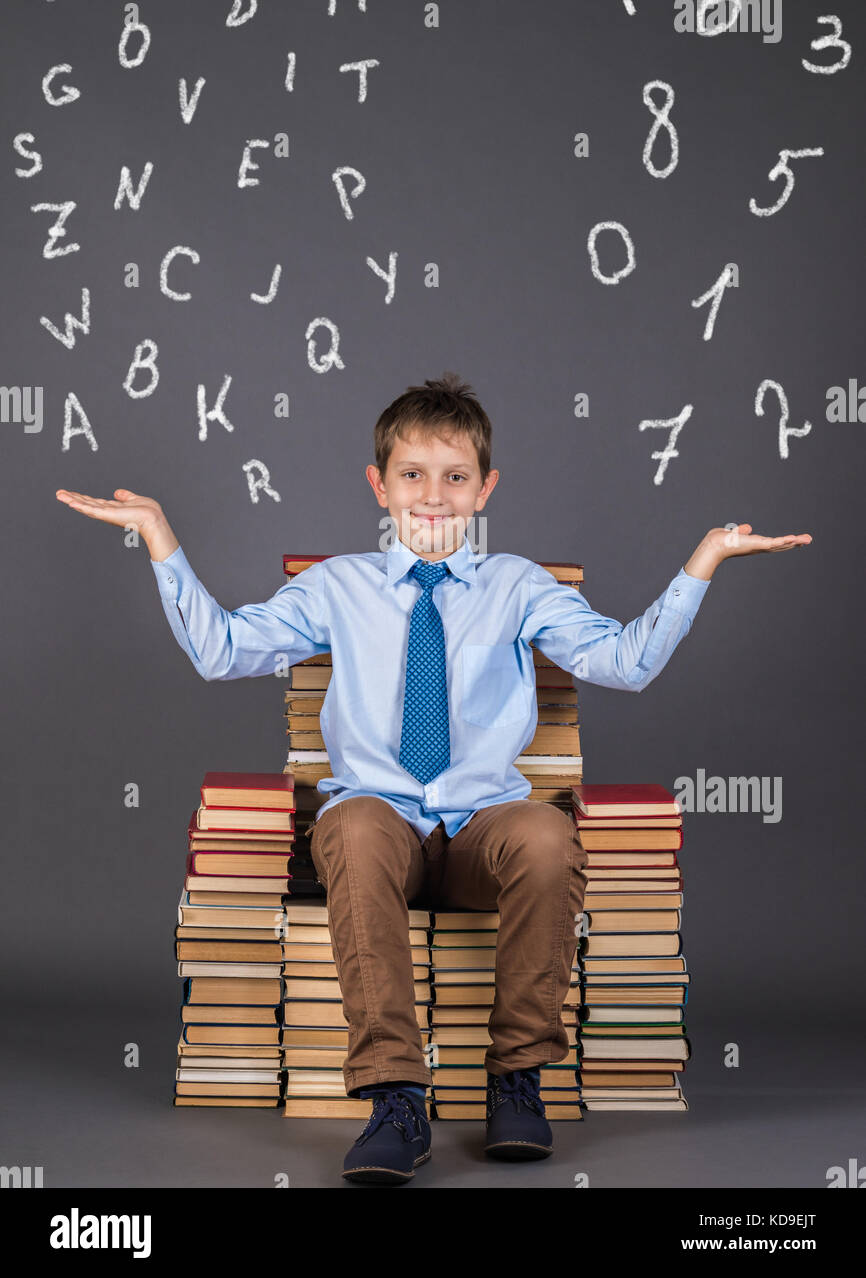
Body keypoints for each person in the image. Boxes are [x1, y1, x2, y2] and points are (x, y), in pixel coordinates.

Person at [56, 371, 811, 1186]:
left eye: (456, 478)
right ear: (380, 485)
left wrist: (704, 561)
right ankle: (394, 1097)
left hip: (482, 829)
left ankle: (517, 1080)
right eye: (413, 475)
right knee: (347, 823)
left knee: (549, 835)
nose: (434, 497)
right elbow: (221, 650)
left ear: (484, 487)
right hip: (380, 828)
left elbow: (622, 664)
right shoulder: (337, 586)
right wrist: (158, 535)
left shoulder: (520, 586)